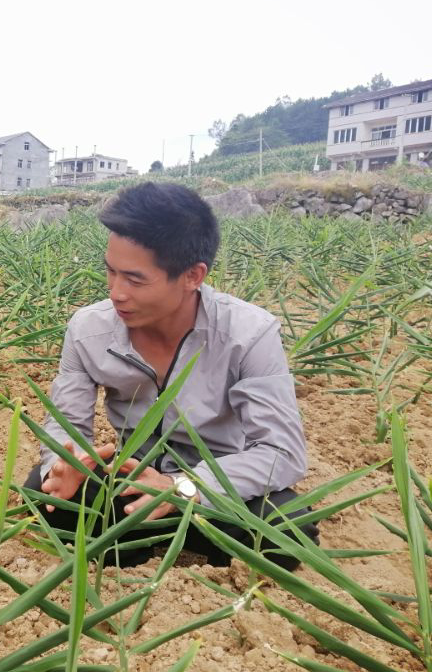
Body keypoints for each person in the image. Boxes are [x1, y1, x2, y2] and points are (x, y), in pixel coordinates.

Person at [25, 182, 317, 570]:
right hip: (130, 480)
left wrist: (185, 488)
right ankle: (140, 540)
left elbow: (280, 452)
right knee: (40, 492)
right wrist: (64, 464)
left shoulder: (248, 334)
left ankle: (140, 539)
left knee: (289, 528)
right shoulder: (87, 329)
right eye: (110, 272)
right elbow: (66, 427)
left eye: (134, 279)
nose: (115, 292)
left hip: (215, 488)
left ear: (192, 275)